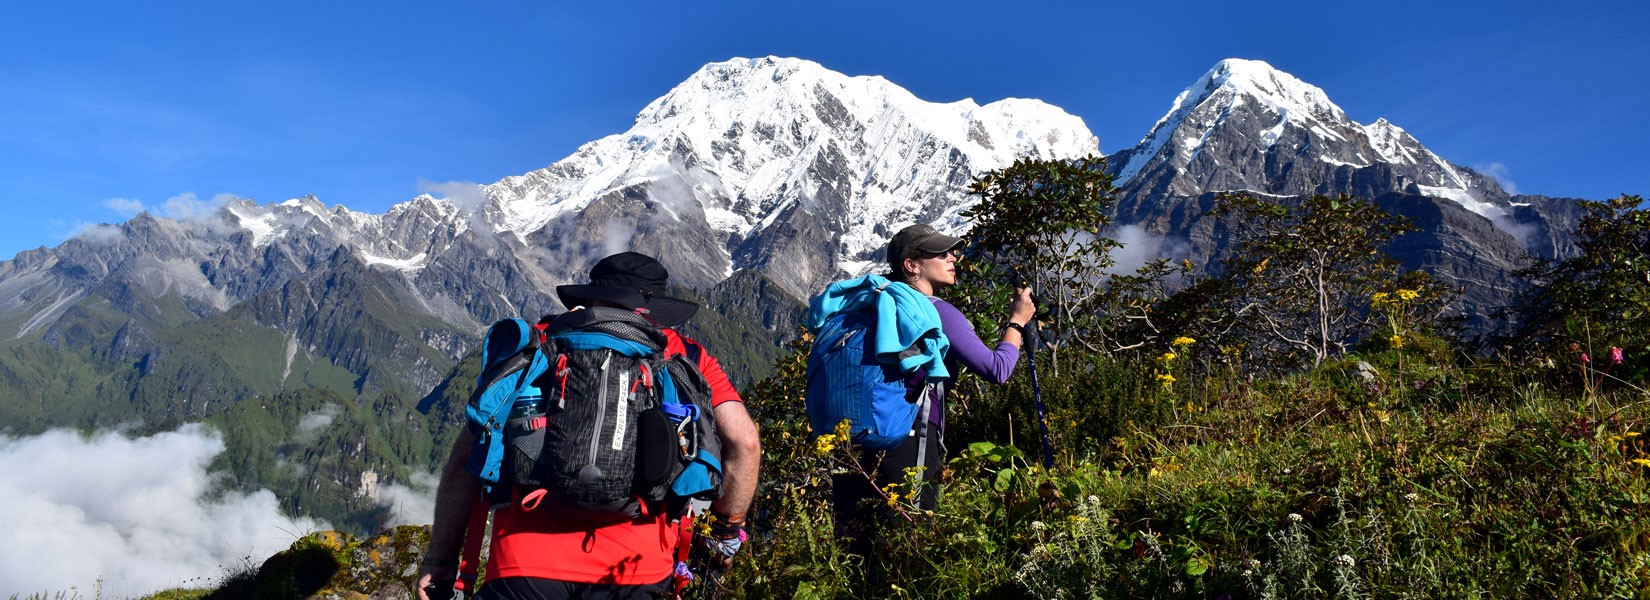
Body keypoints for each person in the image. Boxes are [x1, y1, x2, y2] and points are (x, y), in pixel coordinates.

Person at [417, 252, 762, 600]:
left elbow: (470, 452)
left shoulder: (541, 342)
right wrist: (726, 530)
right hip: (636, 572)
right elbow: (745, 444)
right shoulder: (683, 355)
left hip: (523, 568)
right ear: (654, 306)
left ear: (591, 296)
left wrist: (441, 558)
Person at [830, 223, 1035, 570]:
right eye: (940, 253)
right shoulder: (934, 311)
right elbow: (997, 369)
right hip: (909, 444)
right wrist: (1016, 322)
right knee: (909, 559)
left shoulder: (867, 307)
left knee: (856, 567)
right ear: (912, 265)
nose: (952, 258)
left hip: (848, 447)